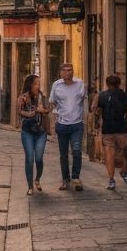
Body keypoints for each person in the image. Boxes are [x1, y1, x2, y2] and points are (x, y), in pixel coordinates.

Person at [49, 62, 86, 191]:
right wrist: (56, 118)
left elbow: (82, 100)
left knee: (76, 151)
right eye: (65, 70)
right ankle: (65, 179)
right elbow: (52, 102)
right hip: (62, 125)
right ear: (61, 72)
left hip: (77, 124)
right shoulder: (56, 85)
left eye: (70, 70)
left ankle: (76, 177)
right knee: (63, 154)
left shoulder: (80, 84)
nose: (68, 72)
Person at [94, 73, 127, 189]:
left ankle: (111, 180)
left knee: (109, 156)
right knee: (122, 154)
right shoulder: (126, 96)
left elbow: (97, 112)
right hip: (122, 130)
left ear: (107, 84)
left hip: (108, 130)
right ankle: (124, 171)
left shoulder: (102, 96)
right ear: (119, 84)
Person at [17, 73, 50, 195]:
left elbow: (48, 109)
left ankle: (37, 179)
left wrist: (43, 110)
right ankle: (30, 186)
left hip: (41, 131)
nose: (38, 86)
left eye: (39, 83)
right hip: (27, 131)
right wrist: (30, 113)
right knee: (29, 159)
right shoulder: (23, 97)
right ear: (30, 84)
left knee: (39, 158)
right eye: (36, 83)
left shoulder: (42, 97)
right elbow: (19, 111)